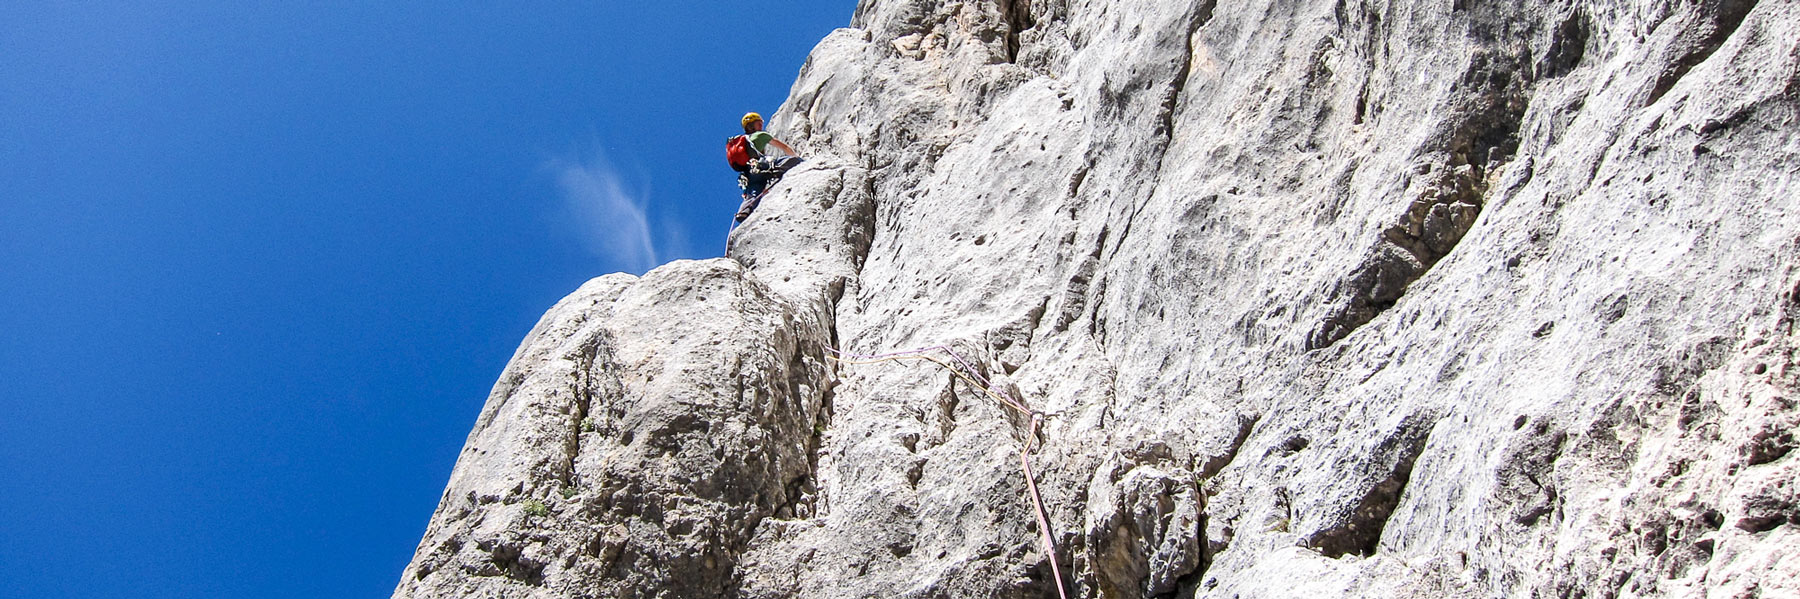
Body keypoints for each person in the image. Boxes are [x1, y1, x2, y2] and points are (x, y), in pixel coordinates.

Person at [732, 112, 803, 223]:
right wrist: (798, 158)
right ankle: (778, 170)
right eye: (758, 123)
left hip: (749, 174)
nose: (761, 125)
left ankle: (744, 211)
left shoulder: (743, 141)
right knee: (793, 160)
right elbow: (784, 147)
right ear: (751, 126)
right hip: (760, 166)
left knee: (754, 193)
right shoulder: (761, 135)